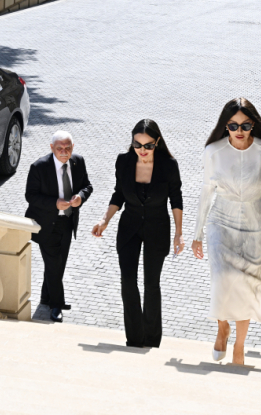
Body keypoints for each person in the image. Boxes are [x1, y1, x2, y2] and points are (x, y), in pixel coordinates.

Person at [191, 98, 261, 365]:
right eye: (232, 125)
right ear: (225, 126)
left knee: (248, 287)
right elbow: (206, 192)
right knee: (222, 279)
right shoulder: (213, 151)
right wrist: (197, 234)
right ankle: (222, 327)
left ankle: (239, 347)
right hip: (221, 222)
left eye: (245, 125)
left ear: (253, 124)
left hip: (255, 226)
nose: (239, 130)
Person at [92, 119, 184, 348]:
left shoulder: (169, 165)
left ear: (157, 142)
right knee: (127, 281)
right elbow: (118, 194)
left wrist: (179, 233)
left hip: (157, 228)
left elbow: (176, 199)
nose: (142, 150)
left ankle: (152, 339)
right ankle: (135, 338)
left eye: (148, 145)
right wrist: (104, 220)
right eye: (137, 144)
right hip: (129, 228)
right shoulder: (124, 162)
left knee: (151, 283)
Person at [25, 131, 93, 323]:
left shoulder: (78, 162)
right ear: (51, 148)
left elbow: (87, 186)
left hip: (67, 222)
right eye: (59, 148)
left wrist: (81, 197)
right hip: (46, 224)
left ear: (73, 147)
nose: (64, 152)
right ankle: (56, 305)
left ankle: (46, 297)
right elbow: (31, 196)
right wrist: (54, 203)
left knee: (58, 264)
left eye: (68, 148)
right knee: (54, 264)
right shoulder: (39, 167)